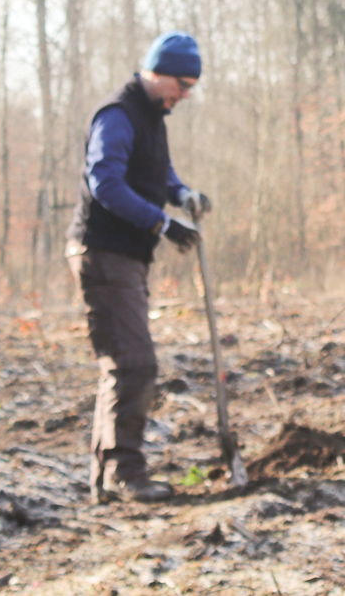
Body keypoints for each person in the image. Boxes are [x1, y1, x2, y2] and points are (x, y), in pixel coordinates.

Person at [66, 30, 210, 503]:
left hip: (124, 256)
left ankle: (106, 477)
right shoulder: (118, 114)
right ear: (158, 71)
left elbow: (157, 173)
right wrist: (162, 224)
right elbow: (105, 181)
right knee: (134, 363)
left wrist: (181, 193)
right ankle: (124, 473)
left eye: (190, 88)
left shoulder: (151, 117)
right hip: (103, 251)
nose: (184, 96)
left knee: (122, 364)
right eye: (182, 85)